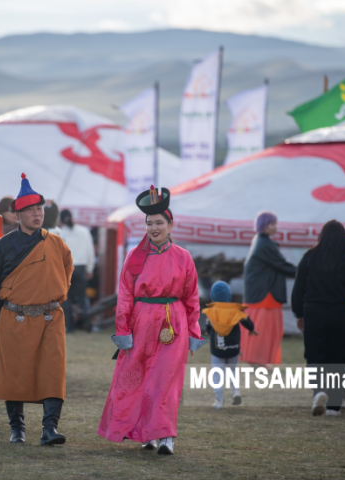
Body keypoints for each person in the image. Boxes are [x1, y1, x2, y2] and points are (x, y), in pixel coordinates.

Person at [98, 186, 205, 455]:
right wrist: (123, 330)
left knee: (166, 380)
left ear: (170, 225)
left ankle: (165, 436)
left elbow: (192, 298)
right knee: (140, 380)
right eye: (149, 223)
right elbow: (124, 296)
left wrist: (194, 332)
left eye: (159, 223)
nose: (154, 228)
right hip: (142, 322)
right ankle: (146, 433)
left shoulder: (183, 257)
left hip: (174, 323)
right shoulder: (134, 258)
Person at [0, 173, 74, 446]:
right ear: (17, 215)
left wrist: (52, 296)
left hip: (50, 317)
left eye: (39, 209)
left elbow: (66, 272)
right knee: (15, 373)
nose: (37, 214)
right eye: (30, 210)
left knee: (53, 371)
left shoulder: (56, 242)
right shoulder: (1, 246)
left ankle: (49, 429)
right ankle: (17, 430)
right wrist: (5, 316)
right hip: (14, 316)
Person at [291, 220, 345, 416]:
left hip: (313, 314)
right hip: (338, 313)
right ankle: (334, 406)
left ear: (320, 237)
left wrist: (299, 314)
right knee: (337, 358)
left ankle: (319, 392)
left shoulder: (309, 257)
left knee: (315, 356)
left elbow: (298, 290)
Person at [241, 211, 296, 366]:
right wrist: (305, 272)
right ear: (263, 225)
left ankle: (259, 360)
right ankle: (258, 361)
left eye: (275, 224)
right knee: (264, 331)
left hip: (260, 293)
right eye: (272, 224)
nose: (275, 227)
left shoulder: (259, 241)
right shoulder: (264, 244)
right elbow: (281, 265)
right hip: (264, 294)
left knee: (264, 330)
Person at [203, 281, 257, 409]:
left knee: (217, 373)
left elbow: (209, 330)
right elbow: (247, 320)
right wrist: (251, 328)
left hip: (218, 350)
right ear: (229, 295)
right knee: (233, 371)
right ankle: (235, 392)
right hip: (233, 349)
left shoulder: (211, 311)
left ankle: (219, 400)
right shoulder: (235, 310)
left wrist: (210, 330)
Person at [59, 209, 95, 332]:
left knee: (66, 298)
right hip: (81, 267)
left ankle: (69, 326)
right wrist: (90, 268)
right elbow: (90, 251)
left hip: (66, 268)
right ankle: (88, 325)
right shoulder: (84, 231)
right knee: (82, 297)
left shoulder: (60, 233)